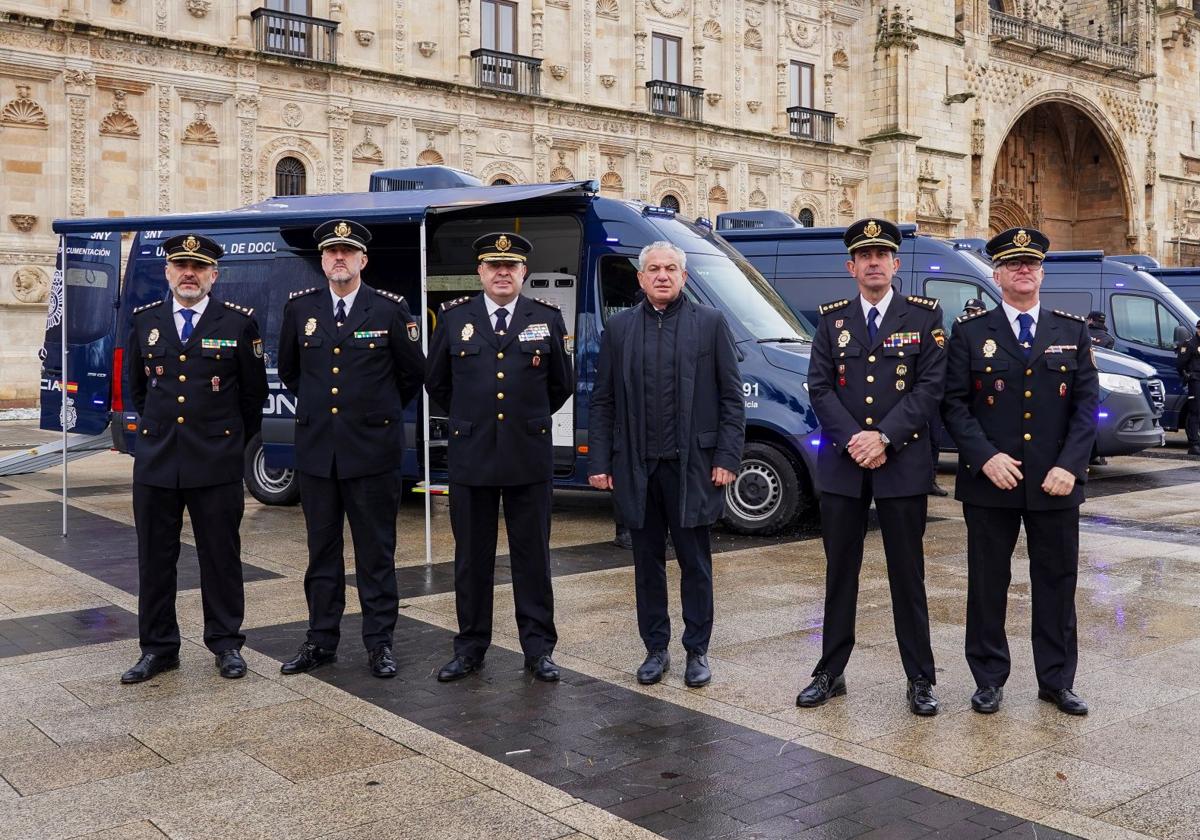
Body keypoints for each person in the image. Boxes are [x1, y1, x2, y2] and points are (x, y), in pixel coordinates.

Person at [941, 227, 1098, 716]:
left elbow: (1086, 406)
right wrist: (985, 456)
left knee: (1057, 583)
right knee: (987, 585)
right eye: (1012, 265)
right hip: (992, 483)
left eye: (1030, 264)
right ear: (997, 275)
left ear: (1042, 272)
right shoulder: (970, 333)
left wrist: (1070, 467)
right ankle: (988, 679)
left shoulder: (1070, 331)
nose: (1023, 270)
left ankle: (1056, 681)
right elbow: (954, 404)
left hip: (1055, 484)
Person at [795, 218, 946, 715]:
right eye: (865, 256)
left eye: (882, 254)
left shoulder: (924, 317)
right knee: (841, 571)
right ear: (851, 266)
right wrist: (855, 440)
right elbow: (819, 386)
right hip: (844, 462)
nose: (874, 262)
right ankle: (830, 671)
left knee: (908, 573)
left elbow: (930, 388)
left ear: (896, 264)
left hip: (900, 461)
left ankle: (921, 678)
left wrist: (884, 437)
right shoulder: (832, 320)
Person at [589, 241, 745, 689]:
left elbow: (732, 398)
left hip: (692, 467)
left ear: (684, 276)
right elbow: (602, 402)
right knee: (646, 564)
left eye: (671, 268)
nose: (662, 275)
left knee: (696, 563)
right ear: (640, 279)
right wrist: (600, 462)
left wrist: (727, 457)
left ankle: (697, 650)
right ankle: (655, 649)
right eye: (654, 269)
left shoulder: (710, 324)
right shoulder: (619, 330)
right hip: (638, 468)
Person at [277, 219, 426, 679]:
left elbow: (411, 374)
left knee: (375, 555)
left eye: (348, 252)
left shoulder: (389, 310)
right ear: (322, 260)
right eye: (331, 252)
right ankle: (321, 640)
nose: (338, 258)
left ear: (364, 260)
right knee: (321, 554)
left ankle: (379, 643)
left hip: (372, 454)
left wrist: (372, 413)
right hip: (320, 454)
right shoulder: (301, 309)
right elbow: (291, 371)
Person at [120, 233, 268, 684]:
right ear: (168, 272)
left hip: (215, 461)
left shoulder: (238, 323)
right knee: (155, 559)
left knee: (220, 557)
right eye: (181, 265)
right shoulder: (146, 321)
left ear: (213, 276)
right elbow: (138, 392)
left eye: (199, 268)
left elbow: (252, 396)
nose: (189, 273)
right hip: (158, 461)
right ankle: (159, 648)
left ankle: (226, 644)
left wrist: (219, 438)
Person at [426, 233, 574, 683]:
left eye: (511, 266)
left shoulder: (546, 319)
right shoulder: (454, 320)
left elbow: (560, 385)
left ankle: (538, 650)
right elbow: (438, 383)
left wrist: (518, 422)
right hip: (472, 456)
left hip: (527, 456)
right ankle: (470, 647)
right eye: (494, 265)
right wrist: (477, 419)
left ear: (524, 273)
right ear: (481, 273)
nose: (503, 272)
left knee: (533, 557)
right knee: (472, 558)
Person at [1177, 318, 1200, 457]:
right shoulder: (1190, 344)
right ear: (1197, 329)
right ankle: (1194, 444)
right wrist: (1187, 376)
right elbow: (1180, 364)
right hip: (1196, 381)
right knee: (1195, 412)